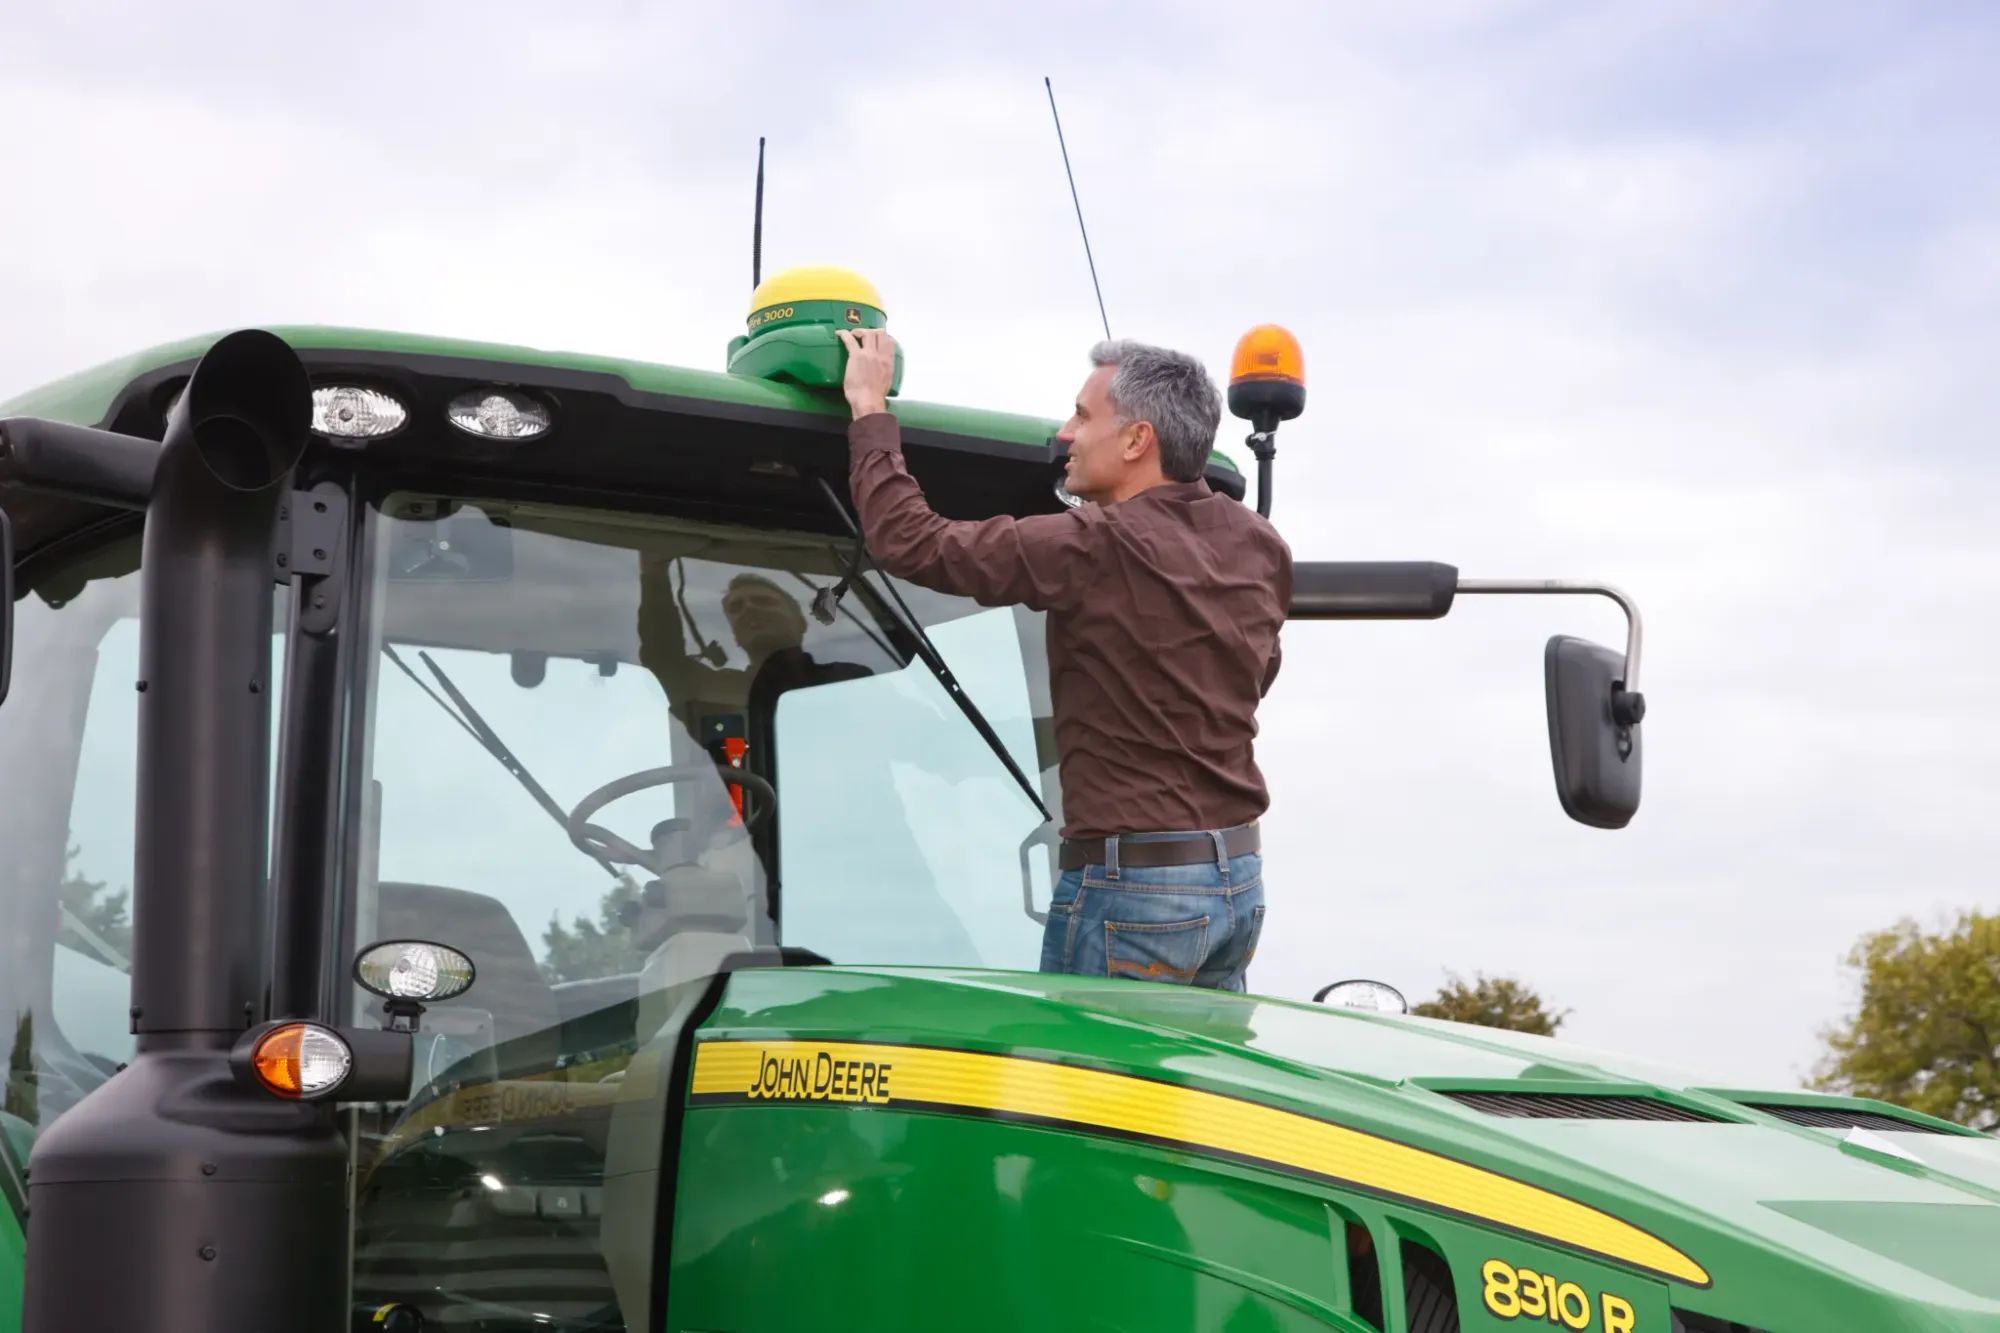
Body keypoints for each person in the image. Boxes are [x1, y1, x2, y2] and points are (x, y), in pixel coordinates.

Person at [837, 327, 1292, 991]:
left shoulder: (1098, 544)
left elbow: (912, 542)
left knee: (1086, 1093)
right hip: (1236, 884)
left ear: (1137, 440)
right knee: (1188, 1093)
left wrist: (870, 410)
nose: (1064, 433)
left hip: (1136, 889)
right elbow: (1258, 672)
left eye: (1082, 416)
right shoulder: (1260, 544)